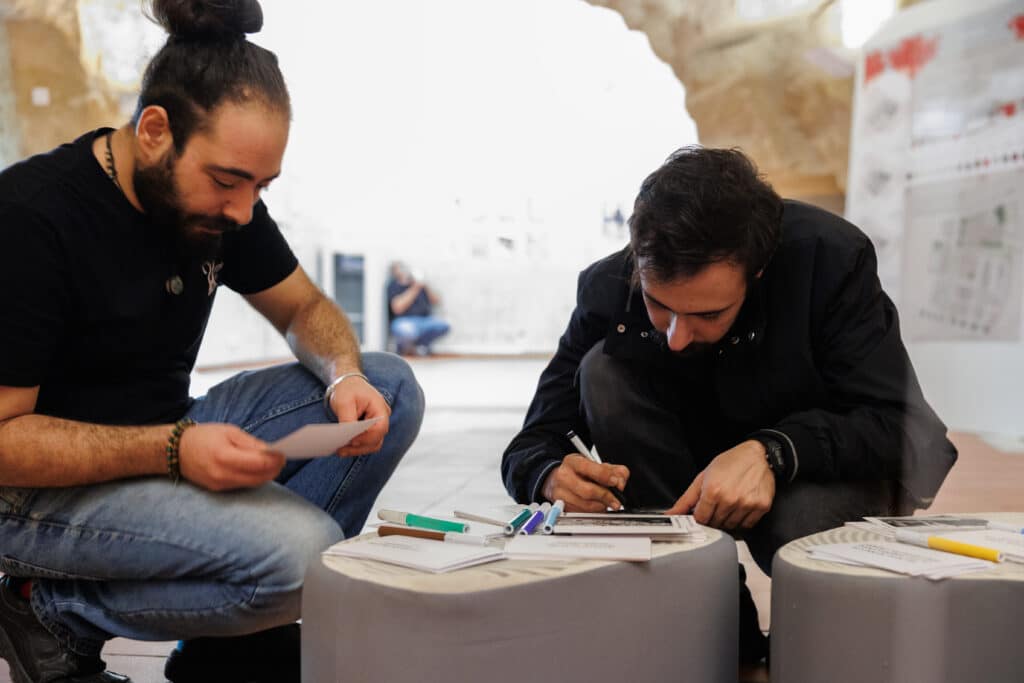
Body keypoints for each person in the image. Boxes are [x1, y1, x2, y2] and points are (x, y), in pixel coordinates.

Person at [0, 2, 424, 682]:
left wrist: (344, 374)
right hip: (33, 493)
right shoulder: (31, 219)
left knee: (390, 387)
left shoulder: (224, 205)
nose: (244, 210)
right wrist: (172, 450)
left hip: (167, 434)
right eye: (228, 181)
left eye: (261, 186)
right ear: (155, 132)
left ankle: (234, 635)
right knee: (303, 556)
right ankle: (48, 609)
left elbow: (304, 306)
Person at [501, 146, 957, 665]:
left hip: (818, 473)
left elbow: (904, 429)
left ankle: (821, 641)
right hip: (683, 480)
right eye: (657, 305)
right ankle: (713, 619)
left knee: (799, 525)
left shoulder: (829, 260)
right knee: (601, 370)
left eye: (709, 314)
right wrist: (548, 476)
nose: (676, 337)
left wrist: (774, 452)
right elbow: (530, 443)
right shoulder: (607, 286)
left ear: (757, 272)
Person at [386, 261, 451, 356]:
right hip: (404, 321)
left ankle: (420, 346)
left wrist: (424, 285)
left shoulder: (421, 285)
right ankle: (406, 348)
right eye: (399, 269)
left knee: (443, 325)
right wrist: (414, 288)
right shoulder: (394, 286)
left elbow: (436, 301)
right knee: (406, 331)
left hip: (424, 320)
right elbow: (397, 308)